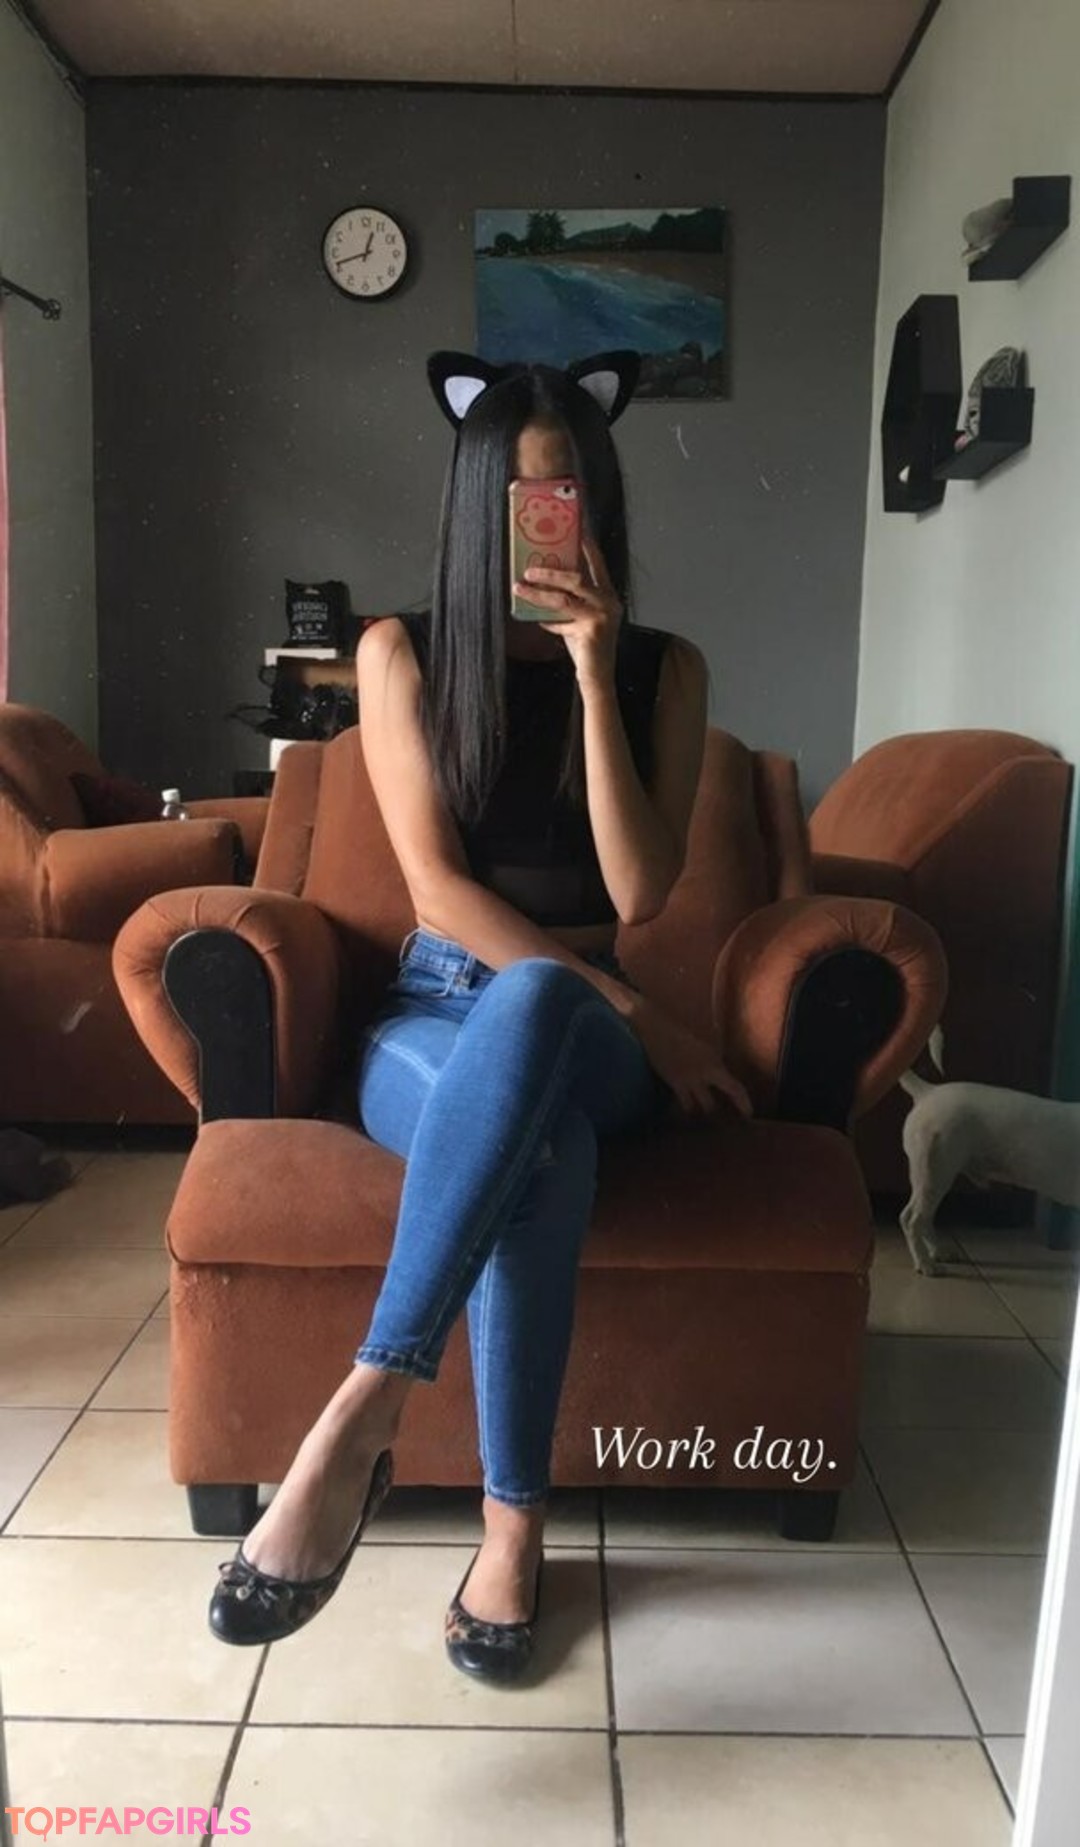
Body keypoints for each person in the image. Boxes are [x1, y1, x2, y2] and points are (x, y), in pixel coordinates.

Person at [209, 346, 752, 1680]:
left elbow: (641, 894)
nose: (547, 519)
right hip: (441, 1008)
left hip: (593, 1033)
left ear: (599, 500)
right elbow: (438, 892)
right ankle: (514, 1531)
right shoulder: (399, 650)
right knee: (543, 1150)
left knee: (548, 1001)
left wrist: (594, 674)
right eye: (523, 496)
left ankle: (360, 1415)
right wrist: (631, 1007)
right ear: (476, 503)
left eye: (570, 493)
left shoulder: (667, 671)